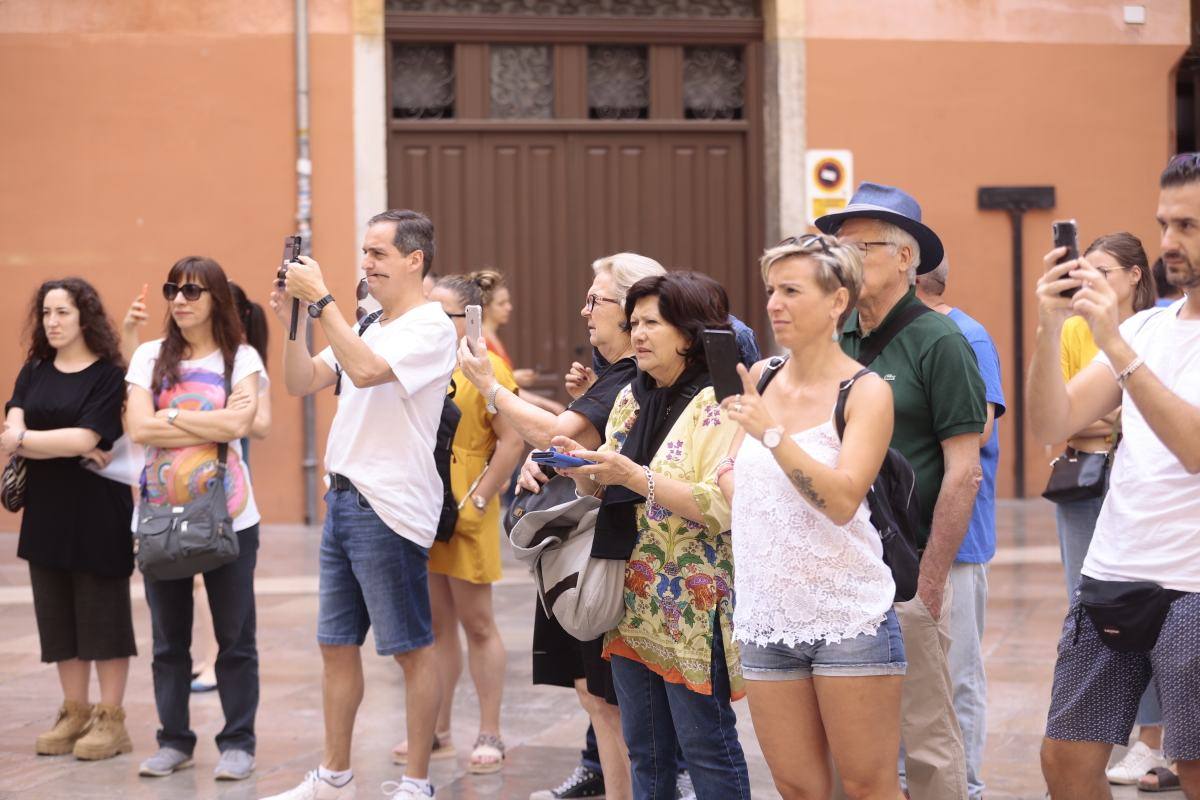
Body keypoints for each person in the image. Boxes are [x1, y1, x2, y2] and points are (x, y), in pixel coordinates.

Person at [458, 252, 667, 800]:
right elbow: (569, 441)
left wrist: (492, 389)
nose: (584, 311)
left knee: (608, 700)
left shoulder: (630, 378)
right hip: (577, 546)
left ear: (631, 311)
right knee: (594, 694)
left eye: (595, 300)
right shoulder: (614, 377)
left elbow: (560, 434)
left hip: (600, 550)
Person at [264, 209, 457, 800]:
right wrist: (297, 319)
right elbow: (301, 382)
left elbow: (369, 372)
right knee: (335, 644)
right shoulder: (369, 321)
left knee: (409, 648)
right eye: (365, 253)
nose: (366, 265)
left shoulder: (432, 326)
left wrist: (322, 301)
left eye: (377, 254)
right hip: (343, 499)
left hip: (389, 506)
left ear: (414, 260)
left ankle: (416, 781)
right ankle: (334, 776)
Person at [1031, 154, 1200, 799]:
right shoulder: (1147, 327)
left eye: (1187, 225)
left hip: (1193, 587)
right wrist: (1050, 328)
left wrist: (1118, 348)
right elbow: (1055, 418)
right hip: (1115, 572)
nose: (1167, 243)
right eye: (1164, 224)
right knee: (1064, 764)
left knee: (1193, 770)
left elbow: (1192, 448)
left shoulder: (1131, 338)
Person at [715, 235, 903, 799]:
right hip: (766, 616)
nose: (774, 303)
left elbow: (844, 501)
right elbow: (730, 471)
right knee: (797, 788)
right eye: (771, 289)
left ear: (836, 301)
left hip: (848, 617)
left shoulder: (865, 391)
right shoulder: (763, 376)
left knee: (869, 787)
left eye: (791, 290)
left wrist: (771, 434)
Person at [815, 182, 986, 800]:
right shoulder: (835, 339)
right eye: (836, 247)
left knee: (928, 739)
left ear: (906, 258)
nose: (843, 259)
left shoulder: (940, 343)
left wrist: (931, 582)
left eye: (860, 247)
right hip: (839, 572)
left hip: (907, 568)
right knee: (848, 738)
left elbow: (964, 470)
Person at [553, 271, 750, 800]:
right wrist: (577, 468)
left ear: (688, 333)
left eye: (651, 323)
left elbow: (720, 505)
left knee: (707, 747)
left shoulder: (721, 404)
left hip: (692, 601)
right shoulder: (631, 397)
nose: (636, 333)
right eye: (633, 321)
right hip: (631, 596)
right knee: (647, 752)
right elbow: (604, 490)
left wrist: (632, 476)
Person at [125, 257, 266, 781]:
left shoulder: (242, 358)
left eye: (192, 290)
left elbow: (240, 422)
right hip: (158, 517)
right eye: (172, 289)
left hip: (230, 516)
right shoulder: (147, 356)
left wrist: (173, 417)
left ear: (216, 299)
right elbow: (138, 428)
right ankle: (174, 740)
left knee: (235, 637)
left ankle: (238, 742)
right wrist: (211, 424)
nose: (179, 299)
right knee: (168, 641)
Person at [389, 274, 526, 774]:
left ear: (464, 317)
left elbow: (511, 439)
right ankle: (438, 727)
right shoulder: (425, 363)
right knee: (437, 624)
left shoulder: (486, 368)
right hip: (425, 502)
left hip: (467, 499)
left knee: (478, 622)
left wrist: (482, 497)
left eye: (437, 311)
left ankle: (490, 729)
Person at [1044, 234, 1164, 786]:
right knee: (1092, 612)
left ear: (1136, 275)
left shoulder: (1158, 328)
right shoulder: (1074, 328)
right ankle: (1128, 737)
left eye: (1105, 271)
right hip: (1085, 484)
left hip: (1146, 495)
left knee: (1164, 622)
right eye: (1084, 270)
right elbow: (1065, 415)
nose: (1091, 280)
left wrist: (1118, 417)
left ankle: (1155, 740)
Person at [3, 278, 135, 762]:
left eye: (62, 312)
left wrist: (23, 440)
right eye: (46, 313)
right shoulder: (34, 370)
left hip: (98, 511)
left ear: (85, 317)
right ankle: (74, 711)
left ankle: (111, 719)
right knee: (57, 619)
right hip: (47, 509)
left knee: (104, 616)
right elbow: (15, 419)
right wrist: (38, 438)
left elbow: (84, 439)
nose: (52, 322)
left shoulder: (108, 374)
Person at [915, 257, 1006, 800]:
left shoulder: (966, 334)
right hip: (896, 538)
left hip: (959, 538)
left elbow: (982, 422)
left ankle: (965, 785)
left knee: (957, 673)